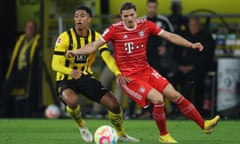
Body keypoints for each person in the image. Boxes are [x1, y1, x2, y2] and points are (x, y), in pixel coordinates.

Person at [66, 2, 220, 143]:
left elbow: (170, 36)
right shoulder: (114, 30)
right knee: (158, 99)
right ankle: (164, 135)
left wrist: (191, 44)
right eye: (125, 16)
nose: (129, 18)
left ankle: (204, 124)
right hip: (129, 78)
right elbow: (94, 45)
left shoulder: (146, 25)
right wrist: (75, 52)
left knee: (174, 95)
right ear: (121, 17)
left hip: (146, 70)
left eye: (132, 15)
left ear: (136, 14)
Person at [51, 6, 139, 143]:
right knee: (72, 101)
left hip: (86, 77)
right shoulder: (65, 38)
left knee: (114, 105)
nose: (78, 19)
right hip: (65, 79)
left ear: (89, 19)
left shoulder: (96, 37)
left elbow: (107, 57)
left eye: (82, 16)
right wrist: (70, 72)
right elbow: (55, 64)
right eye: (76, 16)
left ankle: (121, 134)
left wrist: (117, 73)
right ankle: (81, 125)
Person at [135, 0, 177, 119]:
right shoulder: (140, 21)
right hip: (144, 59)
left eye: (154, 7)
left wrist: (166, 48)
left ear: (156, 8)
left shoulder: (163, 21)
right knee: (144, 85)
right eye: (150, 7)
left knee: (161, 84)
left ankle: (164, 110)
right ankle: (147, 111)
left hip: (160, 60)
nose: (152, 9)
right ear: (147, 7)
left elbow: (172, 36)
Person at [171, 17, 216, 116]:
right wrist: (180, 66)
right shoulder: (185, 36)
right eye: (191, 25)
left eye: (195, 25)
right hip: (184, 68)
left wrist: (193, 66)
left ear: (199, 26)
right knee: (170, 80)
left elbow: (207, 56)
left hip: (199, 69)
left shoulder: (206, 37)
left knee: (189, 84)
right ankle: (175, 109)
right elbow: (177, 53)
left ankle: (188, 111)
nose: (192, 28)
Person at [0, 20, 41, 118]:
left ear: (35, 30)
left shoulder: (38, 41)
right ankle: (3, 112)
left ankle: (28, 113)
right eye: (28, 27)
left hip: (30, 71)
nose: (29, 30)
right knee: (6, 85)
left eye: (32, 28)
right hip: (19, 70)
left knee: (30, 90)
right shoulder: (20, 40)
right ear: (25, 29)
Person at [91, 15, 124, 118]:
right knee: (102, 83)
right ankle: (97, 111)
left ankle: (116, 112)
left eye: (119, 22)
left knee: (120, 86)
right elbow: (103, 46)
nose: (117, 24)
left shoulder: (127, 32)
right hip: (111, 61)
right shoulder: (109, 31)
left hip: (123, 63)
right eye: (115, 22)